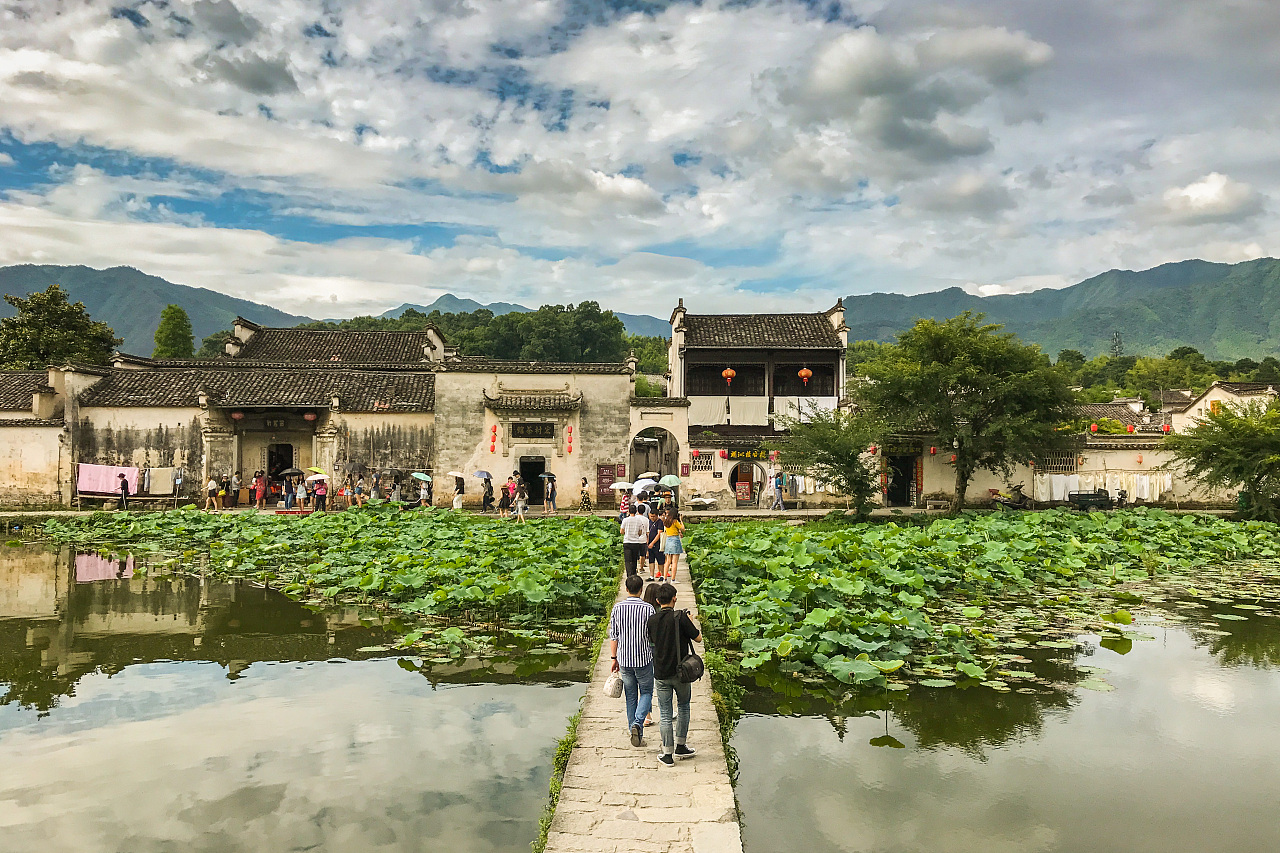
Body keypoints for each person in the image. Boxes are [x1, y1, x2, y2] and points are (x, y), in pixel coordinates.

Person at [647, 583, 700, 766]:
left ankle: (667, 753)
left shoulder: (652, 620)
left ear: (657, 601)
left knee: (665, 712)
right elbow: (698, 638)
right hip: (681, 672)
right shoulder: (681, 618)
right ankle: (681, 745)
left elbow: (652, 641)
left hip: (661, 672)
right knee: (684, 706)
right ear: (674, 599)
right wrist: (690, 621)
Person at [609, 574, 656, 748]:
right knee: (646, 693)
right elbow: (652, 635)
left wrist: (614, 658)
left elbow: (614, 636)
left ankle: (633, 731)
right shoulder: (648, 609)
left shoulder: (617, 608)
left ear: (626, 589)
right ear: (641, 589)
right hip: (643, 658)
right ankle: (638, 722)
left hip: (625, 658)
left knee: (630, 696)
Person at [620, 503, 648, 577]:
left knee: (628, 560)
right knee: (634, 560)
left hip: (627, 542)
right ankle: (634, 574)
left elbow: (621, 531)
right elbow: (640, 532)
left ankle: (629, 575)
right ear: (636, 511)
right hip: (635, 542)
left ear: (629, 511)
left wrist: (627, 532)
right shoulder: (639, 520)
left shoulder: (625, 520)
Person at [663, 507, 686, 582]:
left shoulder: (666, 521)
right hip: (675, 540)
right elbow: (683, 528)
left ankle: (664, 578)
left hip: (668, 540)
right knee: (675, 561)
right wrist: (681, 520)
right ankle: (673, 579)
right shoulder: (675, 521)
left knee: (668, 561)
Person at [646, 510, 667, 582]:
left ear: (657, 515)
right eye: (651, 516)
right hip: (650, 544)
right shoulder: (649, 522)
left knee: (660, 561)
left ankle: (662, 575)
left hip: (658, 545)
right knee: (651, 560)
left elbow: (659, 534)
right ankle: (651, 575)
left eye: (653, 516)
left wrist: (652, 543)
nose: (652, 518)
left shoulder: (660, 522)